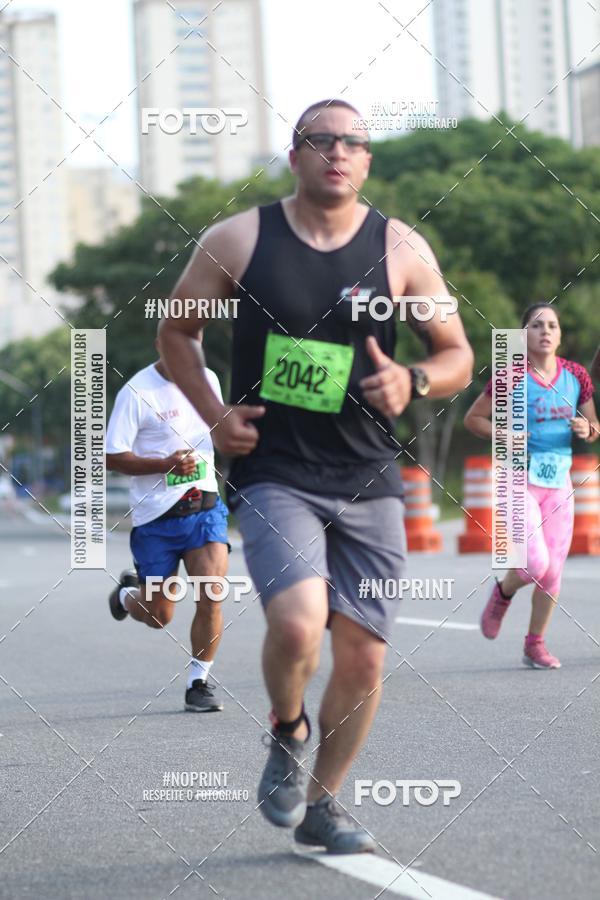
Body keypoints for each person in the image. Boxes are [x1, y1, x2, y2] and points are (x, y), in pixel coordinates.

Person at [158, 98, 473, 852]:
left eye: (352, 142)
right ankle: (288, 728)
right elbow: (176, 329)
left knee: (364, 654)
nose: (337, 152)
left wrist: (414, 382)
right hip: (276, 470)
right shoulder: (239, 239)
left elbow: (456, 353)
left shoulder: (401, 249)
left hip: (369, 475)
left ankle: (325, 806)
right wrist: (213, 415)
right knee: (299, 622)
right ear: (295, 155)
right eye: (320, 140)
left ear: (367, 161)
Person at [464, 303, 599, 668]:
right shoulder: (510, 377)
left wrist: (587, 429)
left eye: (552, 325)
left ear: (559, 334)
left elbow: (594, 427)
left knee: (552, 571)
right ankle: (504, 591)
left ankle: (534, 644)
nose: (546, 331)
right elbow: (473, 419)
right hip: (516, 480)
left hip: (559, 483)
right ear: (523, 335)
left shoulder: (576, 376)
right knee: (534, 563)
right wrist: (504, 433)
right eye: (537, 325)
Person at [105, 331, 229, 712]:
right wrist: (164, 465)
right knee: (159, 615)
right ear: (160, 344)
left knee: (212, 592)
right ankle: (128, 595)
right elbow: (113, 456)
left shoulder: (208, 379)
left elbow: (219, 433)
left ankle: (198, 682)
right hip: (155, 518)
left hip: (203, 507)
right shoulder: (137, 392)